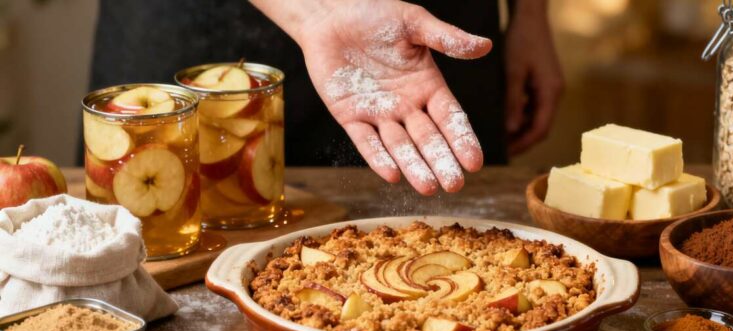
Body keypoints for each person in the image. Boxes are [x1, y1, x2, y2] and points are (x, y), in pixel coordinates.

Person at [88, 0, 563, 195]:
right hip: (207, 25)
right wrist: (318, 11)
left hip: (418, 45)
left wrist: (533, 13)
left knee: (462, 219)